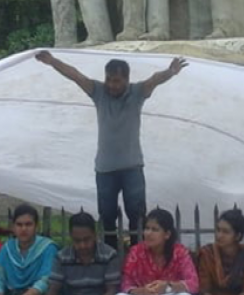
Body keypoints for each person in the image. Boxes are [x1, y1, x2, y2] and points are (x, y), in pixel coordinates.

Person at [35, 51, 187, 247]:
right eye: (108, 79)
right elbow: (76, 75)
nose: (111, 85)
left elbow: (154, 80)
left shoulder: (137, 92)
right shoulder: (98, 92)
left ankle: (137, 252)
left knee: (137, 215)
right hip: (105, 169)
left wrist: (171, 72)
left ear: (126, 80)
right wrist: (52, 61)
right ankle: (110, 253)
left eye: (116, 81)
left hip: (132, 167)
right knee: (107, 216)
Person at [113, 209, 199, 295]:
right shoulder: (136, 251)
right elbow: (126, 283)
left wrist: (168, 286)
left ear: (167, 234)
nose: (148, 233)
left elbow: (193, 284)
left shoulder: (180, 252)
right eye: (147, 228)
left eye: (155, 229)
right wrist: (142, 292)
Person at [43, 212, 122, 295]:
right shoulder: (62, 257)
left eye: (87, 240)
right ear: (71, 237)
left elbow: (112, 291)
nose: (82, 245)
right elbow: (51, 291)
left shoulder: (109, 255)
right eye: (77, 241)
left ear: (95, 235)